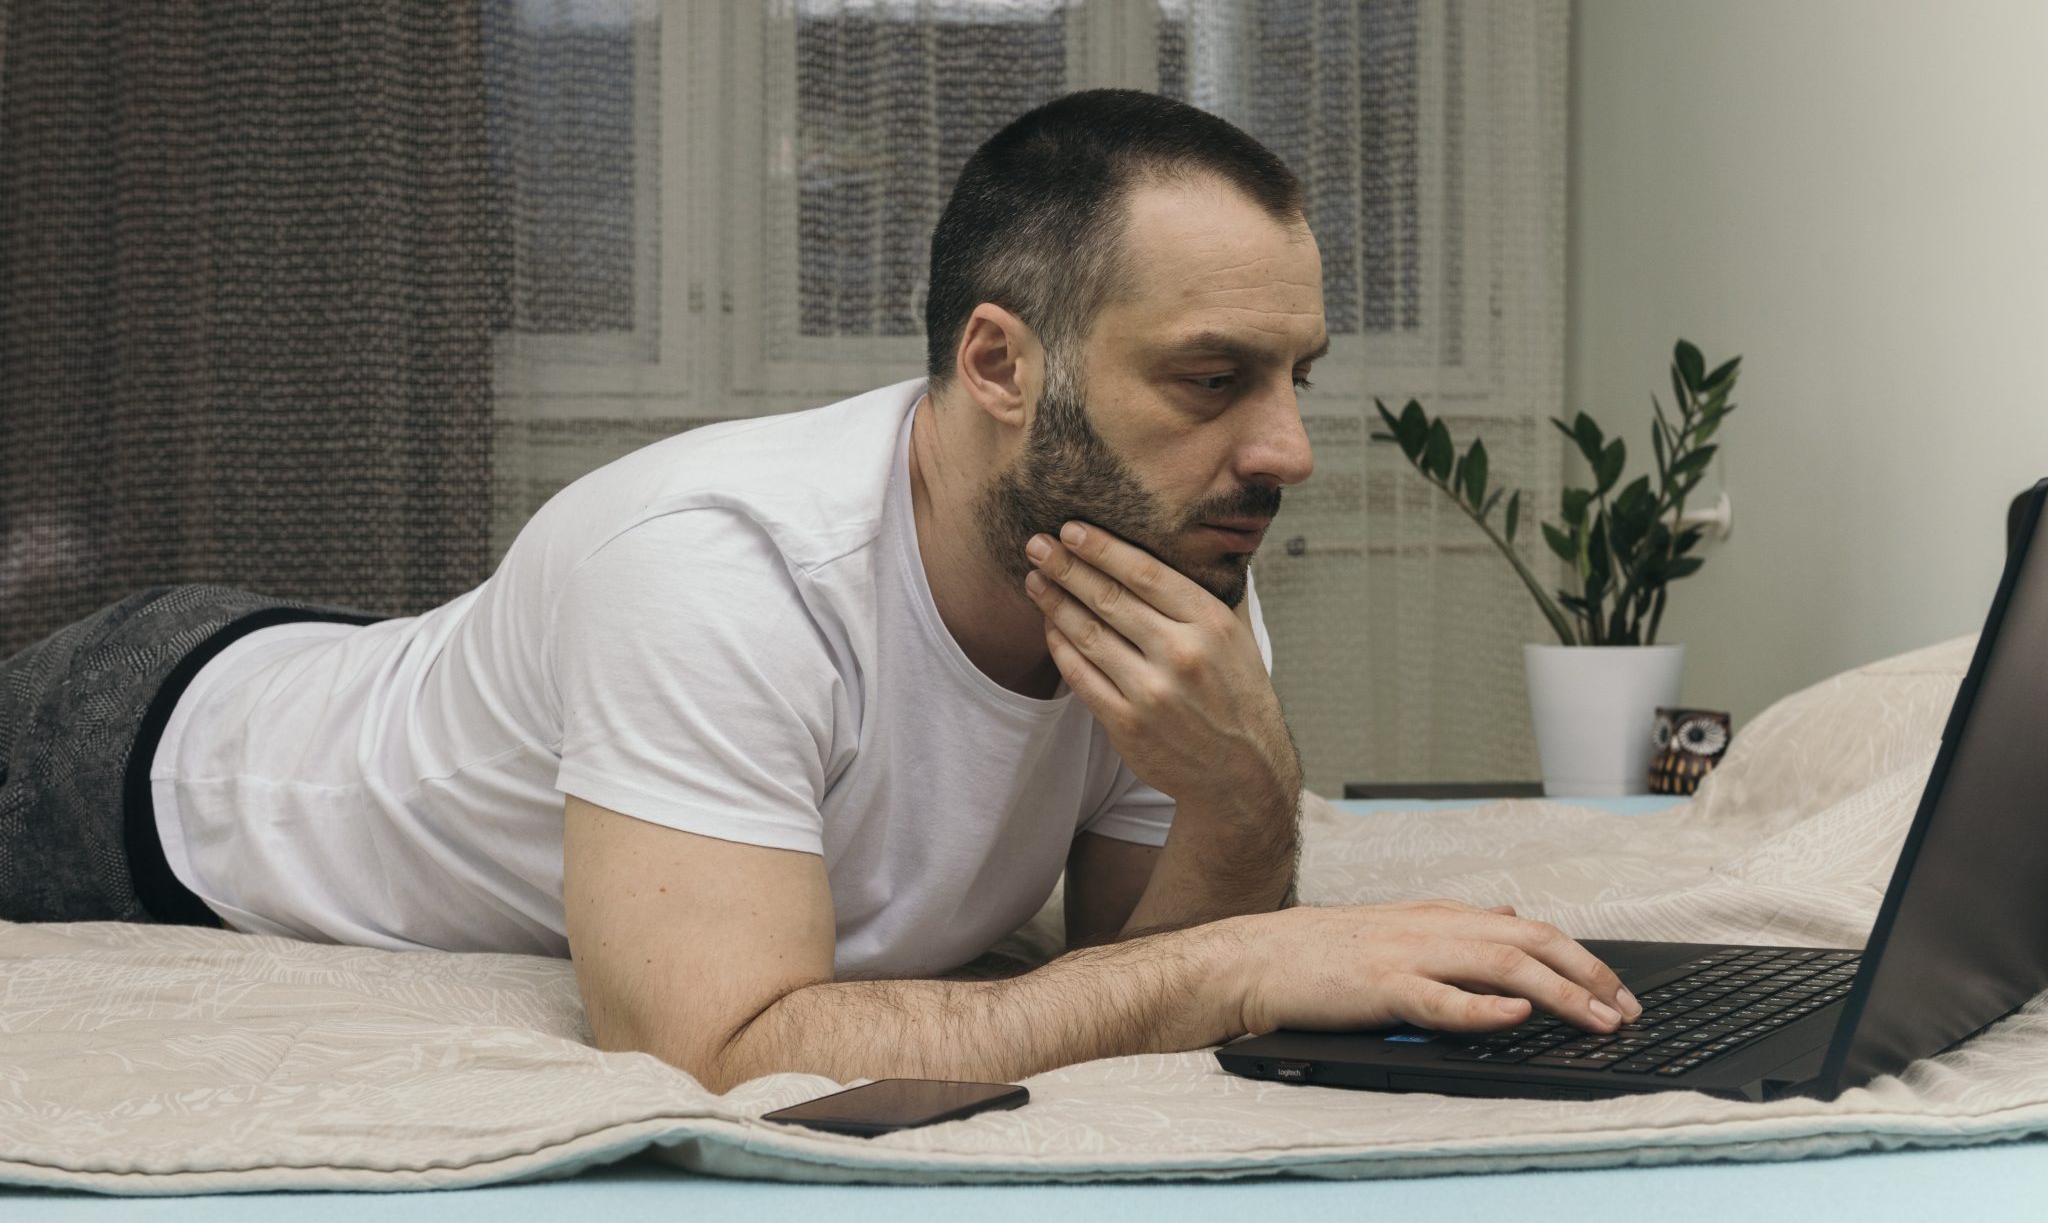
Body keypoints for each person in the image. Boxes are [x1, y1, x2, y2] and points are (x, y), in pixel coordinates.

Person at [0, 89, 1638, 1091]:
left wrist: (1248, 799)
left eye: (1296, 376)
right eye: (1213, 375)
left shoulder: (1172, 545)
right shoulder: (718, 564)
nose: (1280, 447)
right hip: (155, 749)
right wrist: (1246, 958)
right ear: (999, 360)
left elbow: (1153, 954)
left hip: (417, 678)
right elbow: (719, 1049)